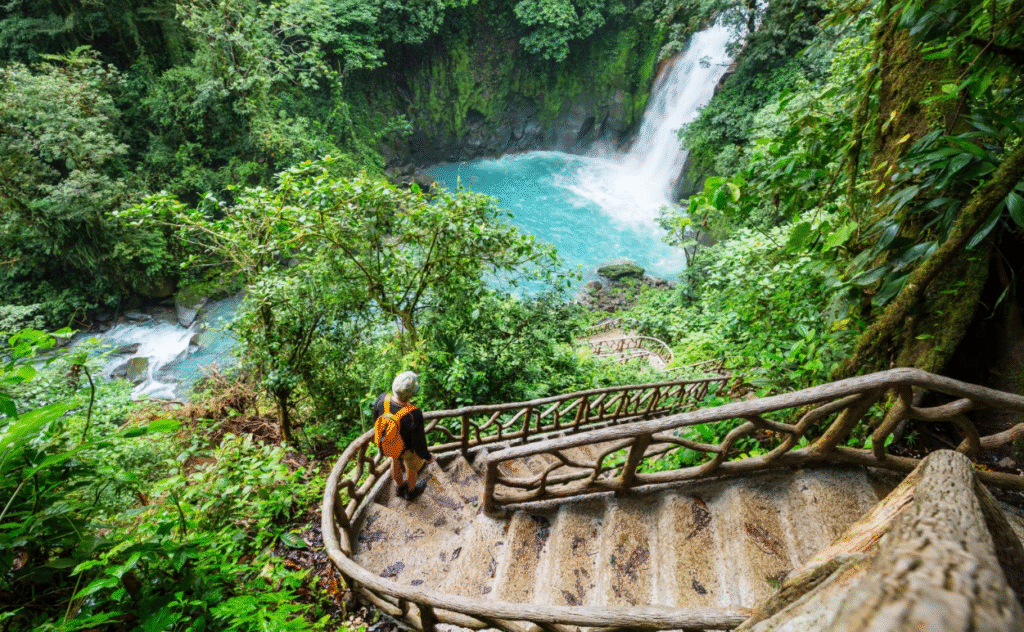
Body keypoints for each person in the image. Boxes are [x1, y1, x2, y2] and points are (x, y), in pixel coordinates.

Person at [373, 371, 433, 500]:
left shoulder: (382, 400)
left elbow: (376, 420)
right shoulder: (413, 414)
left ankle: (399, 488)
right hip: (407, 449)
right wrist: (427, 456)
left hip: (390, 443)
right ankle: (410, 491)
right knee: (411, 468)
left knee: (395, 461)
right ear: (412, 392)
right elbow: (419, 441)